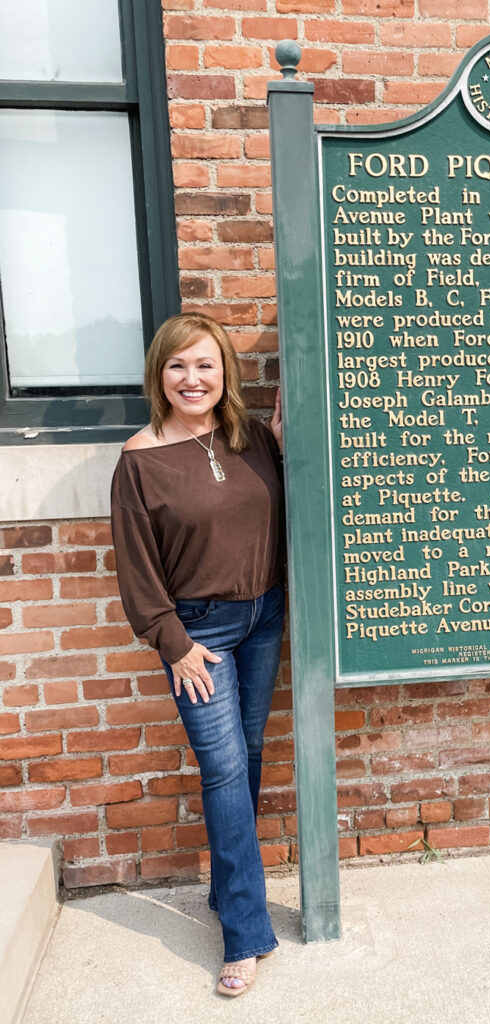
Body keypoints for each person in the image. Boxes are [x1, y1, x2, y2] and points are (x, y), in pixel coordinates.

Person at [110, 312, 286, 997]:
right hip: (199, 638)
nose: (193, 378)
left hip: (264, 615)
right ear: (160, 373)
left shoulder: (249, 441)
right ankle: (245, 933)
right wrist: (173, 643)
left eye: (205, 365)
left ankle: (226, 892)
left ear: (225, 373)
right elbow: (136, 569)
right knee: (222, 771)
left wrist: (279, 432)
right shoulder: (141, 458)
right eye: (178, 365)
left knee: (248, 756)